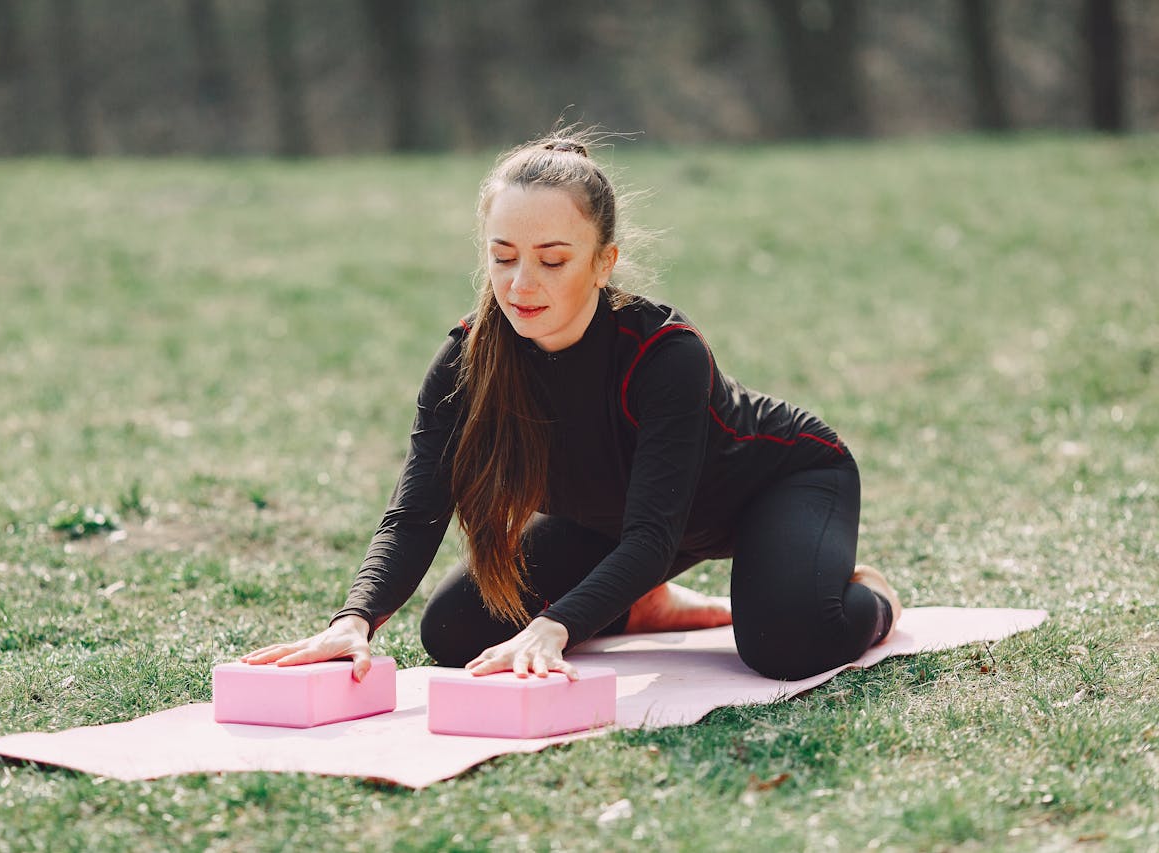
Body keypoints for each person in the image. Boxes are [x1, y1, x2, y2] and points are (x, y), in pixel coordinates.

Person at [242, 131, 901, 683]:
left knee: (784, 644)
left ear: (602, 262)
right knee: (455, 630)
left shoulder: (665, 353)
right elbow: (415, 512)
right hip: (622, 516)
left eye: (552, 260)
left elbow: (652, 536)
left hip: (778, 484)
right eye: (503, 257)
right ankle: (646, 606)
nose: (521, 284)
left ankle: (876, 596)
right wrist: (352, 621)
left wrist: (555, 626)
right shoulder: (466, 360)